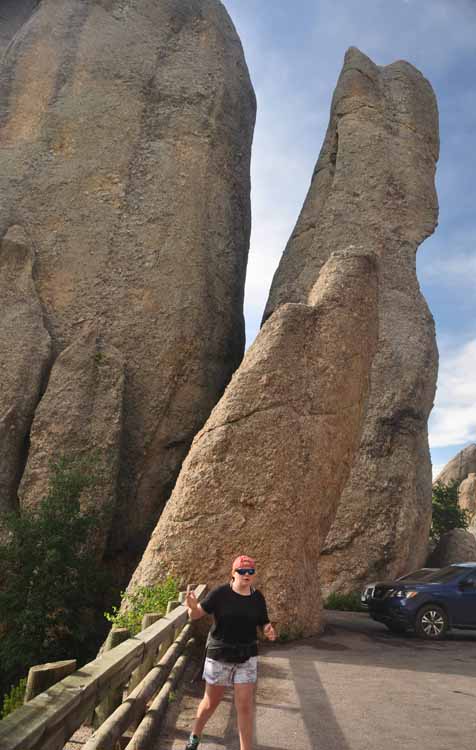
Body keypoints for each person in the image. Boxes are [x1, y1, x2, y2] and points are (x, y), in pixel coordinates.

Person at [184, 555, 277, 750]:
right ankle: (195, 736)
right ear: (233, 574)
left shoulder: (257, 597)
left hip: (247, 657)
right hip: (220, 656)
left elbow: (263, 621)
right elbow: (196, 614)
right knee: (210, 703)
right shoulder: (220, 594)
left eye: (250, 571)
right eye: (242, 571)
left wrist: (268, 629)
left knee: (244, 706)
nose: (246, 574)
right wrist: (192, 607)